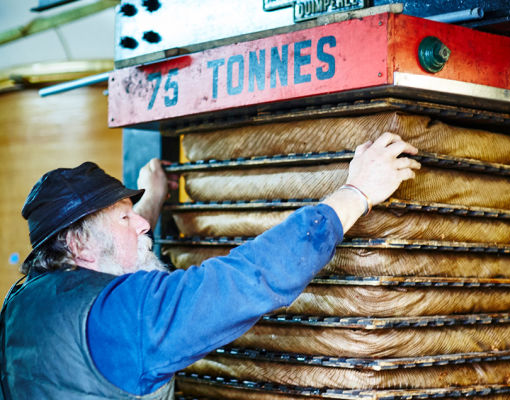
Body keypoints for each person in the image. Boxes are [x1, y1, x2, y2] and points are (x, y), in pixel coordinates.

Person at [0, 132, 420, 399]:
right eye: (126, 219)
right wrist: (357, 191)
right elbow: (246, 280)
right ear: (79, 245)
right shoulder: (121, 319)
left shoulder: (25, 300)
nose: (142, 224)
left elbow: (116, 256)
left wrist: (151, 203)